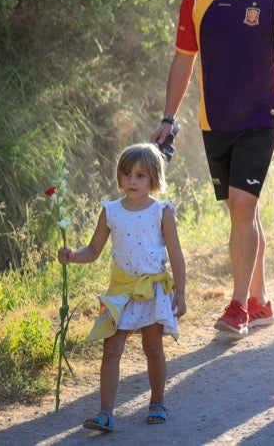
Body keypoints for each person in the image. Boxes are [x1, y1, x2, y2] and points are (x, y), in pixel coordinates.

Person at [152, 0, 274, 337]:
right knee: (242, 211)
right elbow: (184, 58)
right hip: (214, 120)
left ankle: (237, 306)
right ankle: (261, 300)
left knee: (242, 206)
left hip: (261, 121)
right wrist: (168, 117)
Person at [58, 143, 187, 433]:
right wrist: (73, 256)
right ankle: (105, 413)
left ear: (154, 178)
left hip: (152, 290)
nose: (132, 180)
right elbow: (93, 249)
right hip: (119, 291)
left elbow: (176, 256)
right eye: (127, 173)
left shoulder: (161, 211)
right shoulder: (111, 211)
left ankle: (157, 402)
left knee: (153, 347)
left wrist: (180, 292)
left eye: (140, 175)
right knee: (111, 347)